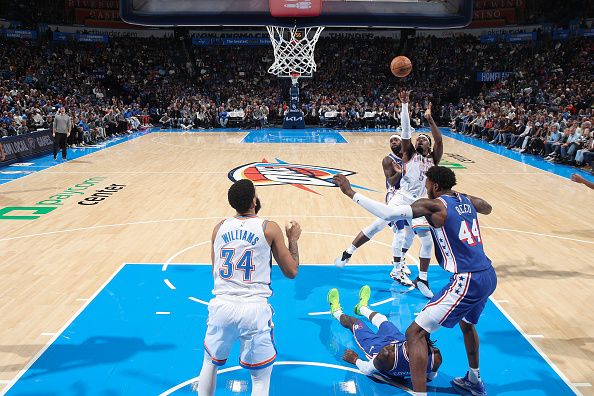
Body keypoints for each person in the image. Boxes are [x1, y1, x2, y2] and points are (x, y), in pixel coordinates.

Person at [333, 167, 496, 396]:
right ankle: (474, 380)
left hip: (467, 279)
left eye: (428, 183)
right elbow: (487, 208)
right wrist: (464, 202)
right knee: (467, 325)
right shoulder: (464, 199)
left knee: (415, 333)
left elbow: (388, 214)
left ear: (435, 186)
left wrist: (351, 192)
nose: (426, 187)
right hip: (488, 275)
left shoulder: (435, 205)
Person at [196, 179, 302, 396]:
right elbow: (291, 272)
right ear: (254, 200)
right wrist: (293, 239)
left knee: (209, 363)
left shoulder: (218, 228)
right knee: (259, 380)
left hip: (222, 305)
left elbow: (215, 270)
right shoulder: (269, 228)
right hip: (254, 309)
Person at [334, 134, 415, 284]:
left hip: (410, 198)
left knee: (399, 230)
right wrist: (401, 171)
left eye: (396, 140)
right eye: (391, 141)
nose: (393, 142)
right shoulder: (388, 160)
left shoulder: (411, 157)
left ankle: (349, 252)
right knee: (400, 232)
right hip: (395, 196)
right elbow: (391, 181)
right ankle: (397, 270)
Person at [327, 285, 441, 383]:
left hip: (378, 348)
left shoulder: (387, 355)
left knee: (354, 322)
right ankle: (362, 308)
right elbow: (431, 377)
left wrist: (354, 359)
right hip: (398, 342)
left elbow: (367, 369)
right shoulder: (435, 357)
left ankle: (336, 311)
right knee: (382, 319)